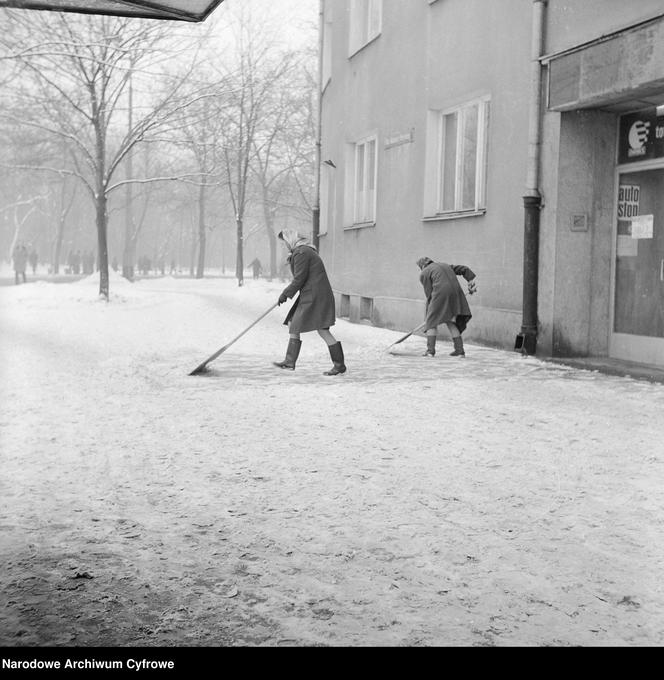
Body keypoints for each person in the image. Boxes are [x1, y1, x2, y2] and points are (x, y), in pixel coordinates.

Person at [274, 229, 346, 376]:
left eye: (284, 242)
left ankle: (338, 365)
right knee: (298, 324)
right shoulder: (303, 251)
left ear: (291, 239)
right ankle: (290, 362)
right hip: (314, 294)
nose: (284, 246)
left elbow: (299, 279)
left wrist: (285, 294)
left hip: (315, 297)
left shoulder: (302, 253)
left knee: (319, 329)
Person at [416, 256, 477, 357]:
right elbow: (464, 269)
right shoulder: (445, 265)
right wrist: (470, 281)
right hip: (456, 294)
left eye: (419, 268)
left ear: (422, 266)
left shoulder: (424, 272)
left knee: (431, 322)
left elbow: (429, 295)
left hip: (441, 294)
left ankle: (430, 351)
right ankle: (459, 351)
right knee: (450, 321)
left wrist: (429, 315)